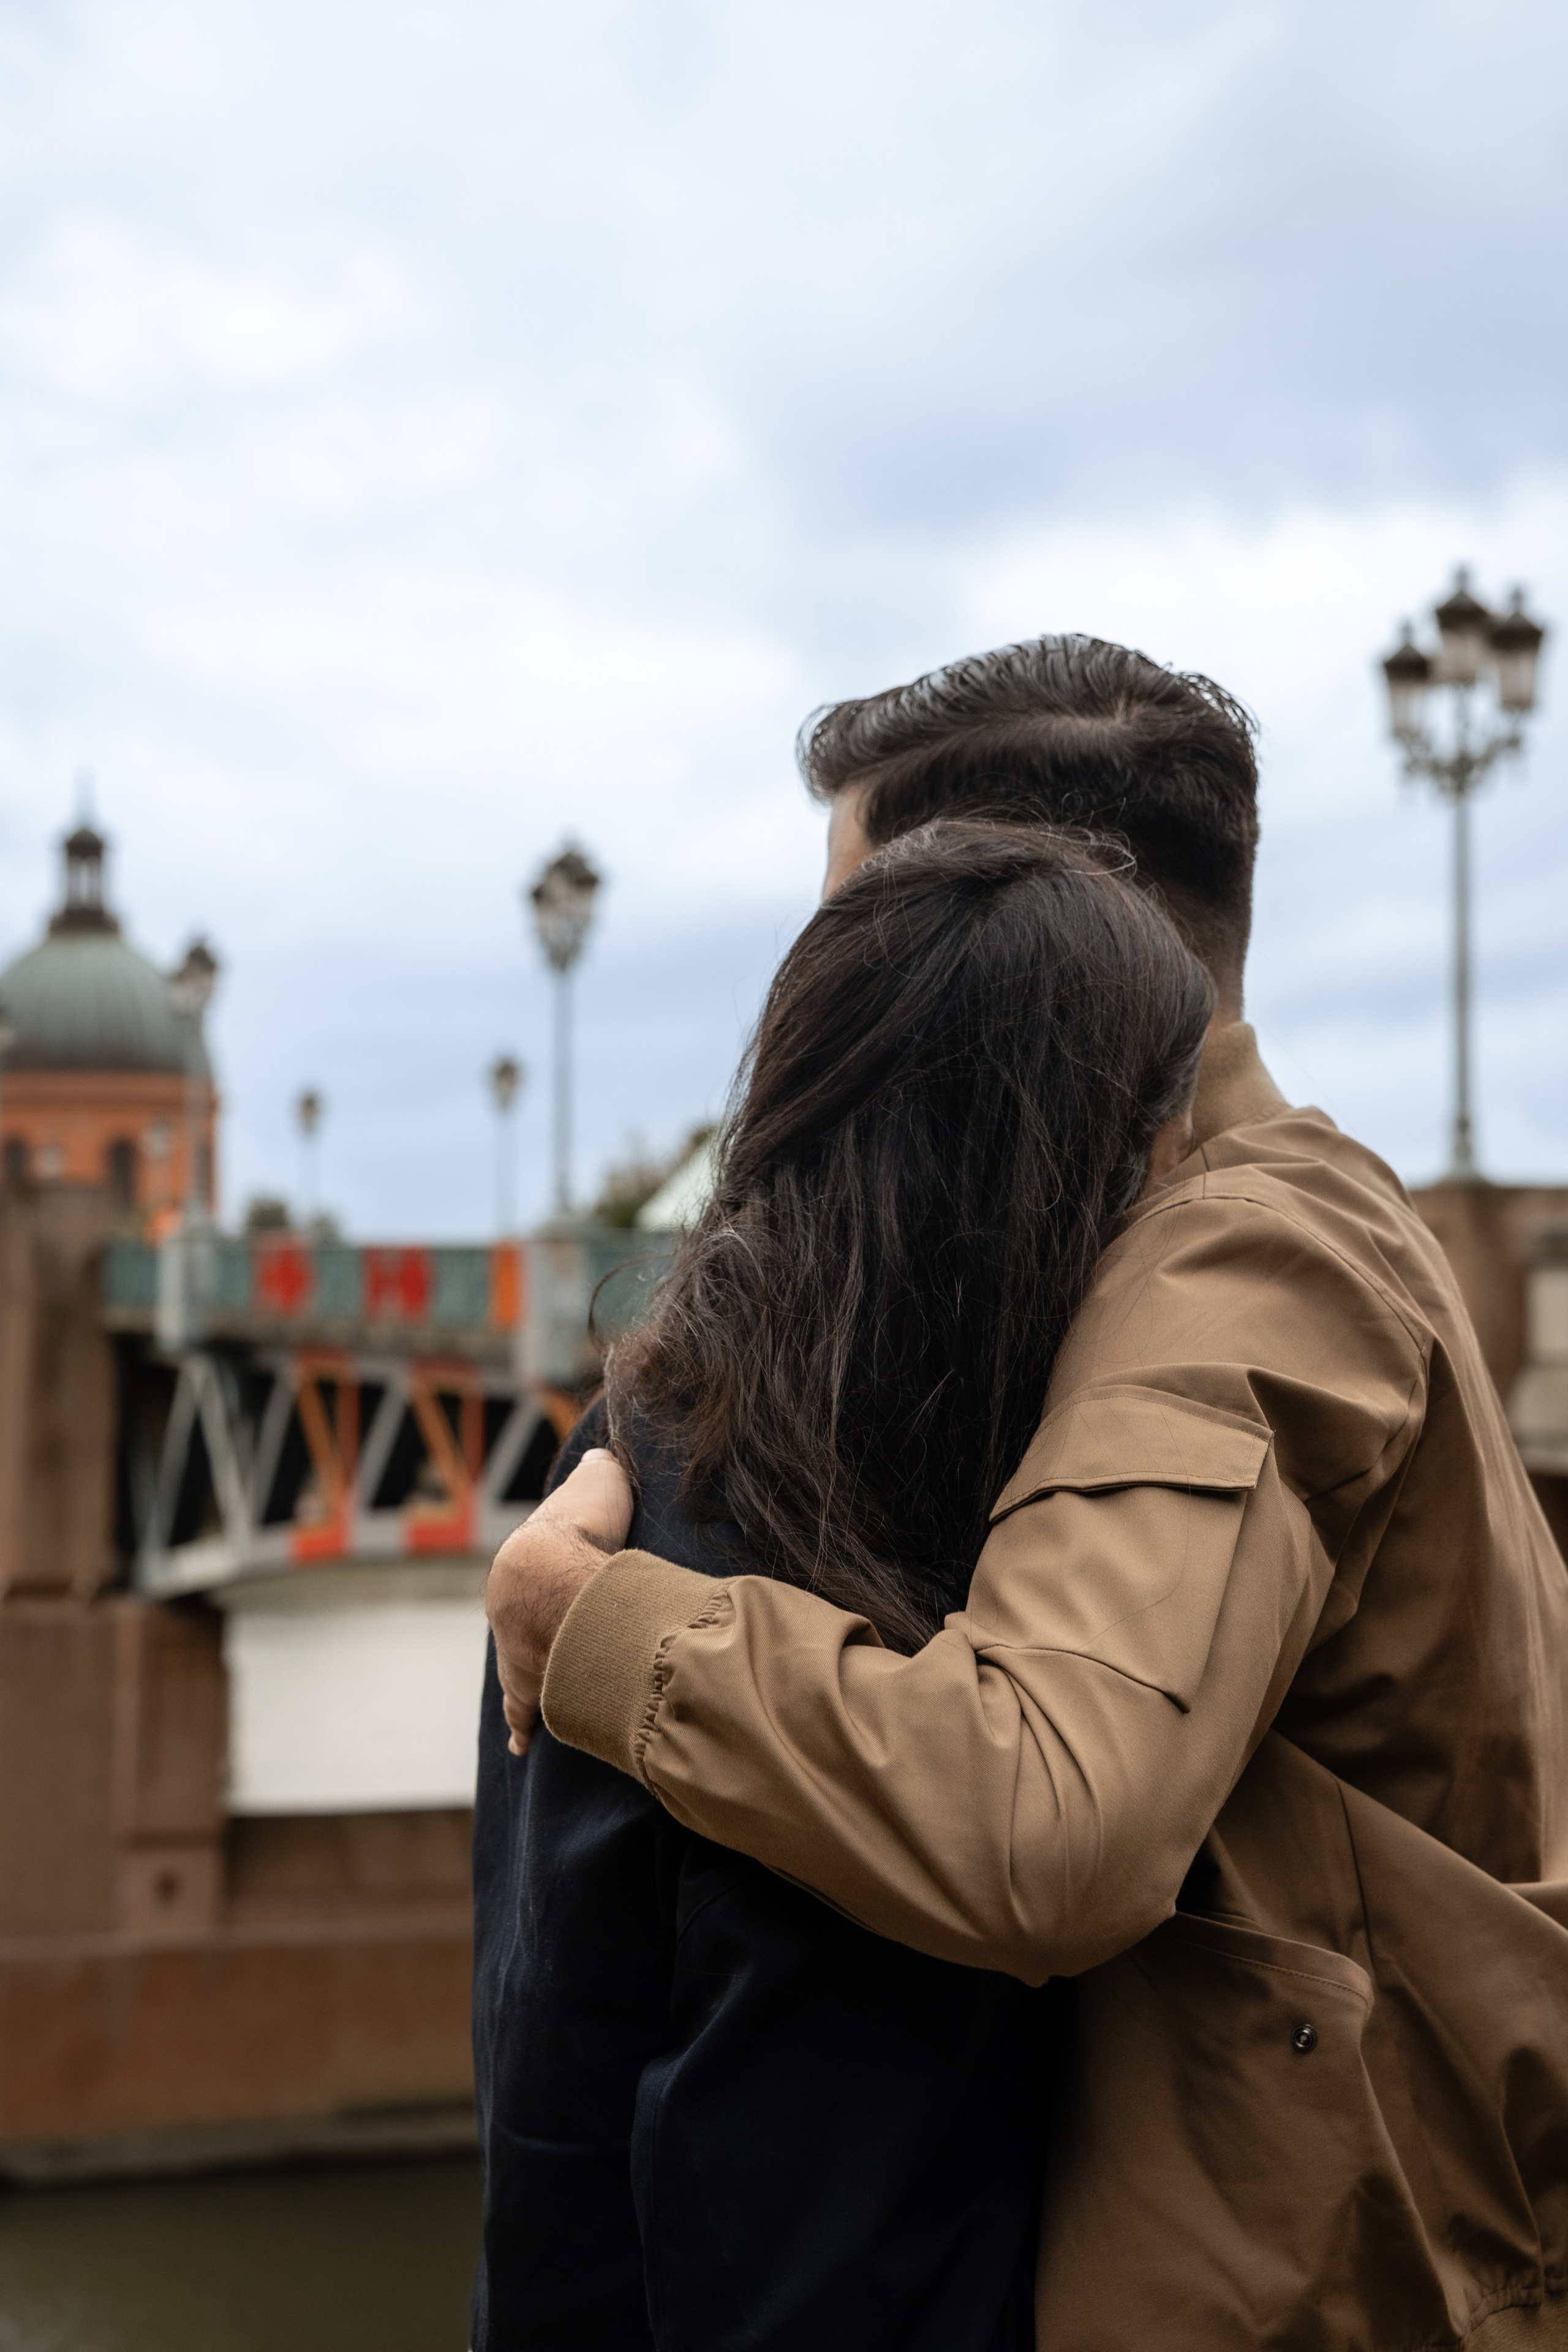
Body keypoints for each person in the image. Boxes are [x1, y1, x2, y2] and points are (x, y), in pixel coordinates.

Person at [487, 635, 1568, 2351]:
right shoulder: (1304, 1209)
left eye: (862, 933)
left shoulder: (1238, 1260)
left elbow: (1052, 1823)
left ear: (1025, 928)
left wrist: (603, 1630)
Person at [470, 823, 1212, 2350]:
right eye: (1161, 1139)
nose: (1182, 1192)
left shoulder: (627, 1496)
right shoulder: (766, 1558)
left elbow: (544, 2084)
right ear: (1052, 1175)